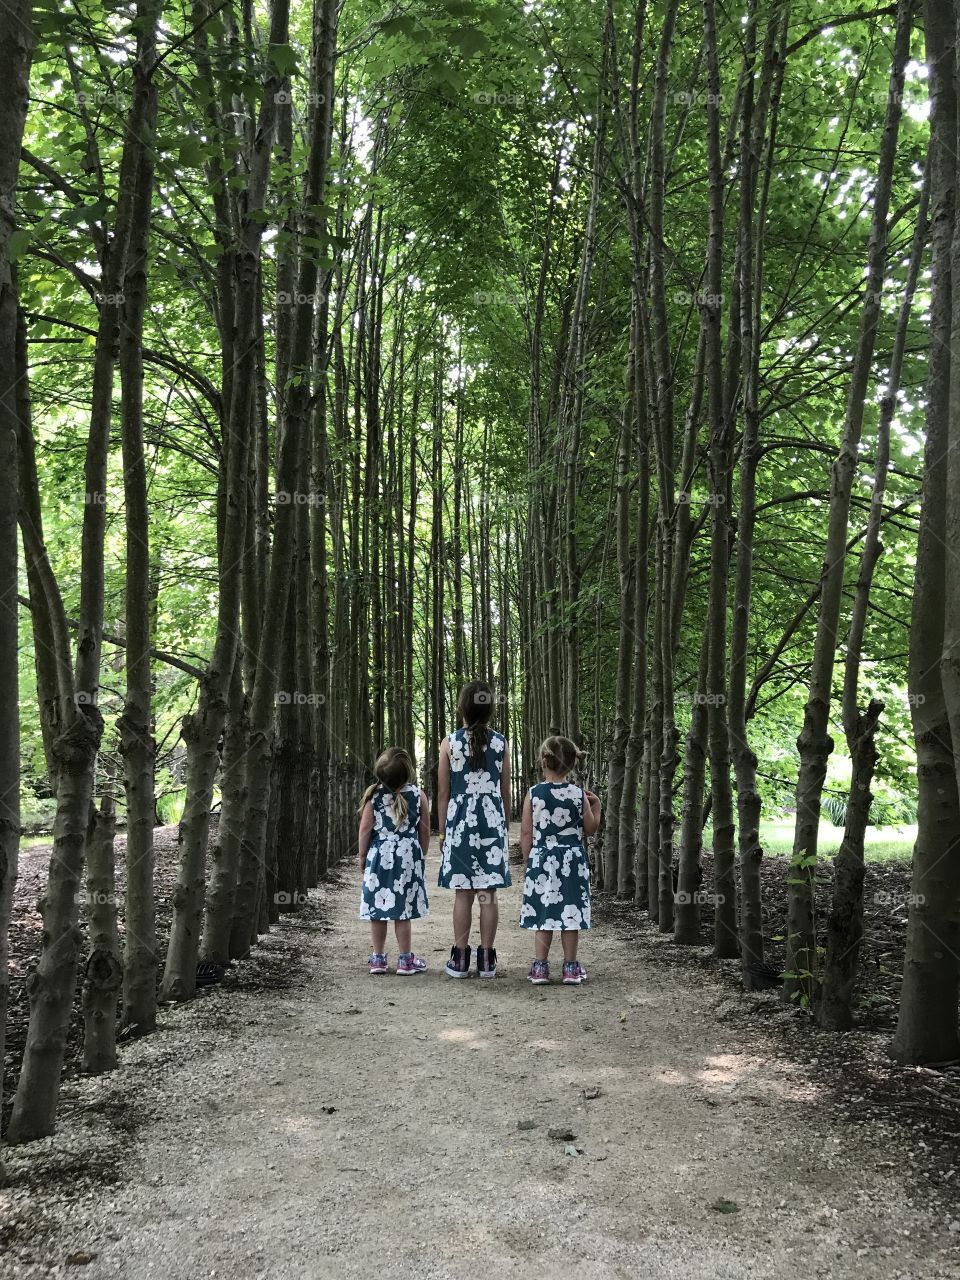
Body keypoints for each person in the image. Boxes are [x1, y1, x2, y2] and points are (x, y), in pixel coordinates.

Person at [437, 680, 511, 978]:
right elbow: (505, 791)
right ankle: (487, 960)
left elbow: (443, 793)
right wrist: (503, 826)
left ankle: (459, 959)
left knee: (463, 893)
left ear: (462, 708)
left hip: (460, 823)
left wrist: (443, 832)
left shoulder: (449, 743)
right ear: (490, 710)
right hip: (491, 821)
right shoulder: (500, 743)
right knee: (488, 893)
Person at [519, 735, 600, 986]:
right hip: (572, 861)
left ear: (544, 761)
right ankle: (571, 968)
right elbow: (590, 829)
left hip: (542, 860)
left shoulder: (534, 794)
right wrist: (596, 805)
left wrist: (528, 861)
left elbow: (526, 833)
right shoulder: (578, 794)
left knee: (544, 914)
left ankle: (540, 967)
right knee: (570, 914)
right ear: (572, 764)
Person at [357, 747, 430, 975]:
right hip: (408, 857)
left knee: (378, 909)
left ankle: (378, 959)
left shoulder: (374, 797)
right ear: (408, 771)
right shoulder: (418, 795)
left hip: (380, 857)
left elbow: (365, 830)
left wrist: (362, 856)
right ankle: (405, 960)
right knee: (403, 910)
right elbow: (424, 830)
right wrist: (421, 854)